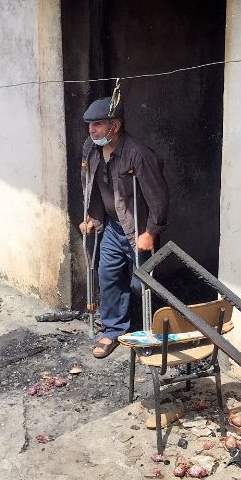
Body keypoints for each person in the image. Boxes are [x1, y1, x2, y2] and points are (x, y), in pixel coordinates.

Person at [80, 97, 169, 358]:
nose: (91, 130)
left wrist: (151, 232)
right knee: (108, 278)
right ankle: (112, 331)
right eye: (89, 125)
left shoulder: (139, 155)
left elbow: (159, 198)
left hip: (138, 230)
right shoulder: (91, 148)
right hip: (110, 227)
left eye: (97, 124)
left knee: (140, 285)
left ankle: (146, 333)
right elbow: (88, 185)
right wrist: (90, 217)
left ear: (115, 126)